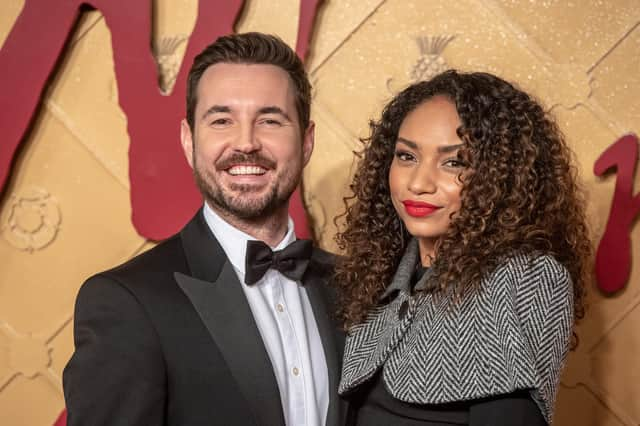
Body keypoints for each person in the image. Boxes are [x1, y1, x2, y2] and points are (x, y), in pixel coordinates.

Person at [63, 32, 345, 426]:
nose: (246, 143)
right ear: (188, 140)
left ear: (307, 141)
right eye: (221, 120)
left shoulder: (356, 286)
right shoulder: (126, 302)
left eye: (269, 120)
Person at [334, 70, 591, 425]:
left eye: (455, 162)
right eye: (407, 156)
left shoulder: (527, 276)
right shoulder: (381, 276)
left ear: (502, 176)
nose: (419, 183)